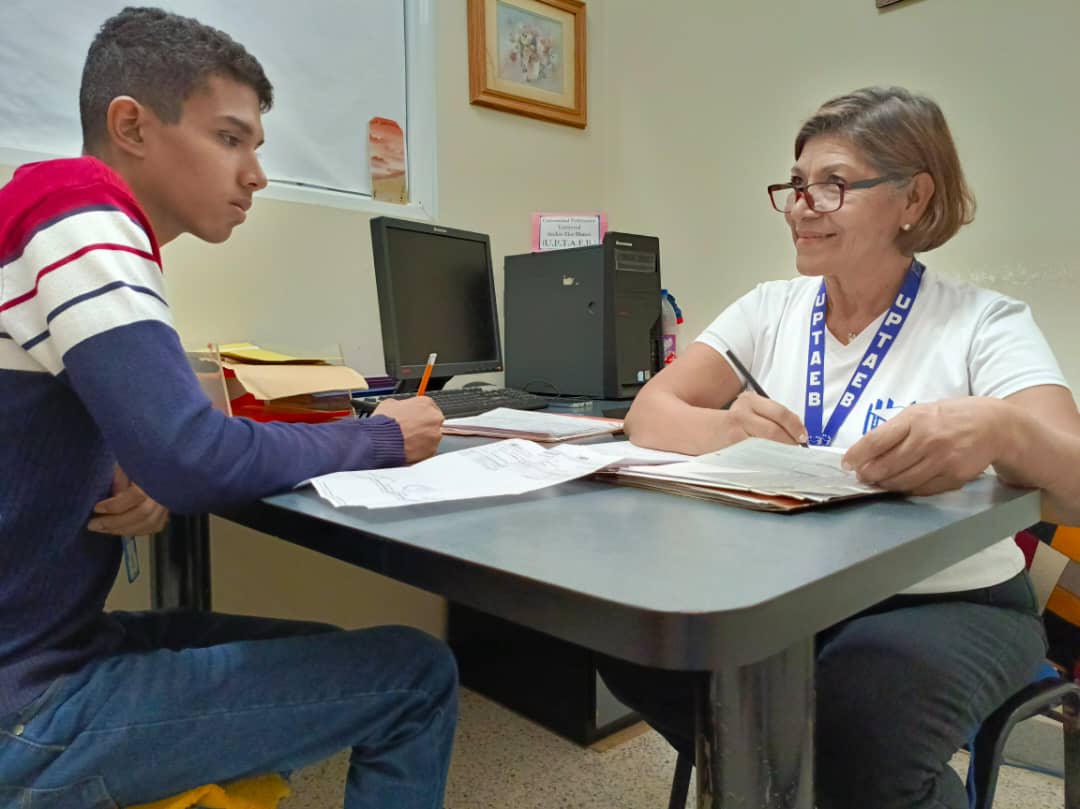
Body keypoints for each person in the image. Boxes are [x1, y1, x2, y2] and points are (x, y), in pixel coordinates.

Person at [0, 7, 456, 809]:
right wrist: (379, 436)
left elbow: (132, 443)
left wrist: (129, 460)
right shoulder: (74, 206)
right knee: (416, 675)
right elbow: (193, 456)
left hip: (50, 648)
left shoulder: (54, 226)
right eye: (229, 138)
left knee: (330, 656)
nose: (256, 175)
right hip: (28, 704)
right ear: (131, 126)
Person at [598, 86, 1080, 809]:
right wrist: (729, 429)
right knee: (638, 645)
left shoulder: (984, 323)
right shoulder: (769, 308)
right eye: (796, 185)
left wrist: (1000, 428)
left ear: (913, 197)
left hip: (947, 598)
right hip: (785, 588)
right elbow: (650, 412)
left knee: (858, 728)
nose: (802, 206)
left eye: (833, 185)